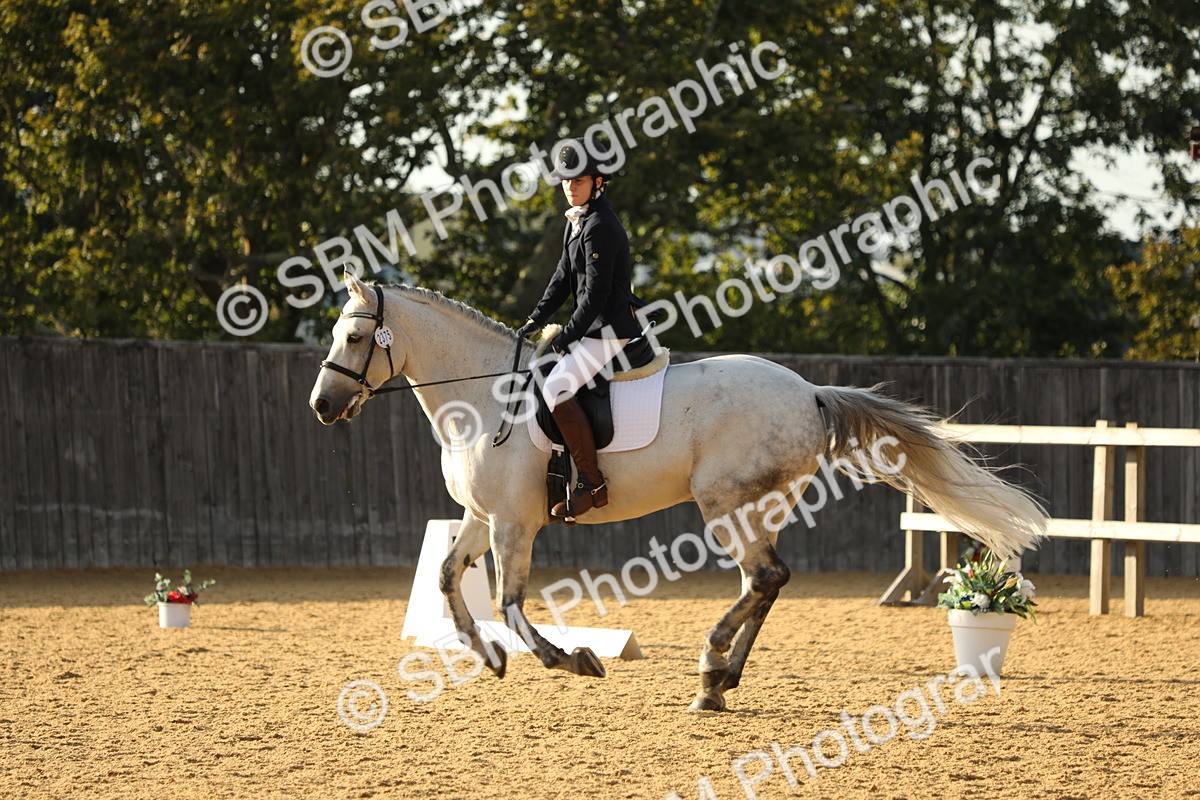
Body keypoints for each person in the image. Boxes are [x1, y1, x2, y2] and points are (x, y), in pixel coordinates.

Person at [517, 138, 647, 520]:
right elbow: (561, 279)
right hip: (591, 326)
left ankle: (593, 482)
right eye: (565, 182)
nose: (570, 188)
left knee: (557, 388)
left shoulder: (601, 225)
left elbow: (595, 295)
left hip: (609, 328)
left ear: (598, 180)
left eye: (578, 181)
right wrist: (536, 319)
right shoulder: (577, 221)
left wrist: (565, 336)